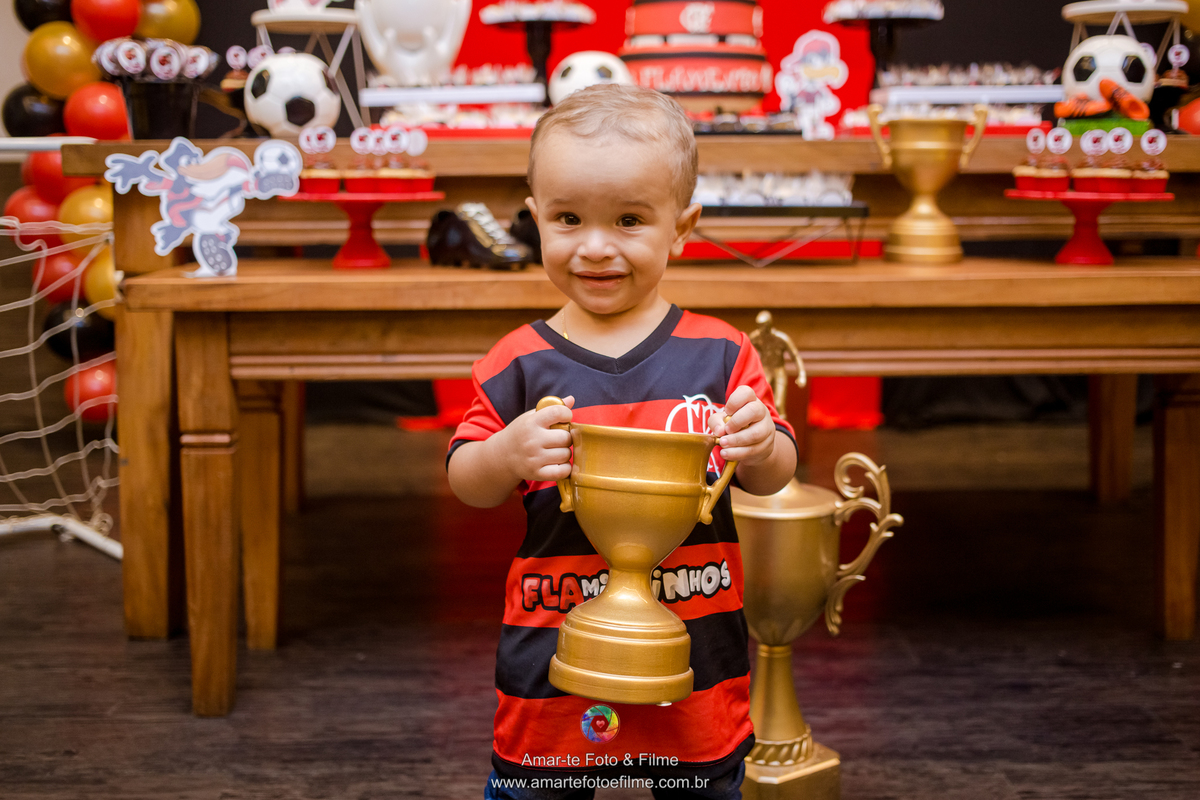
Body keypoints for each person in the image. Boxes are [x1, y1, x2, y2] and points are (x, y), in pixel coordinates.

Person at [446, 83, 799, 800]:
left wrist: (763, 444)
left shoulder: (723, 355)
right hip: (552, 660)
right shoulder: (517, 362)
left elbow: (773, 476)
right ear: (535, 218)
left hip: (694, 655)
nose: (596, 247)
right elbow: (466, 478)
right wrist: (506, 454)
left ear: (683, 225)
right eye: (569, 218)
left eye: (630, 219)